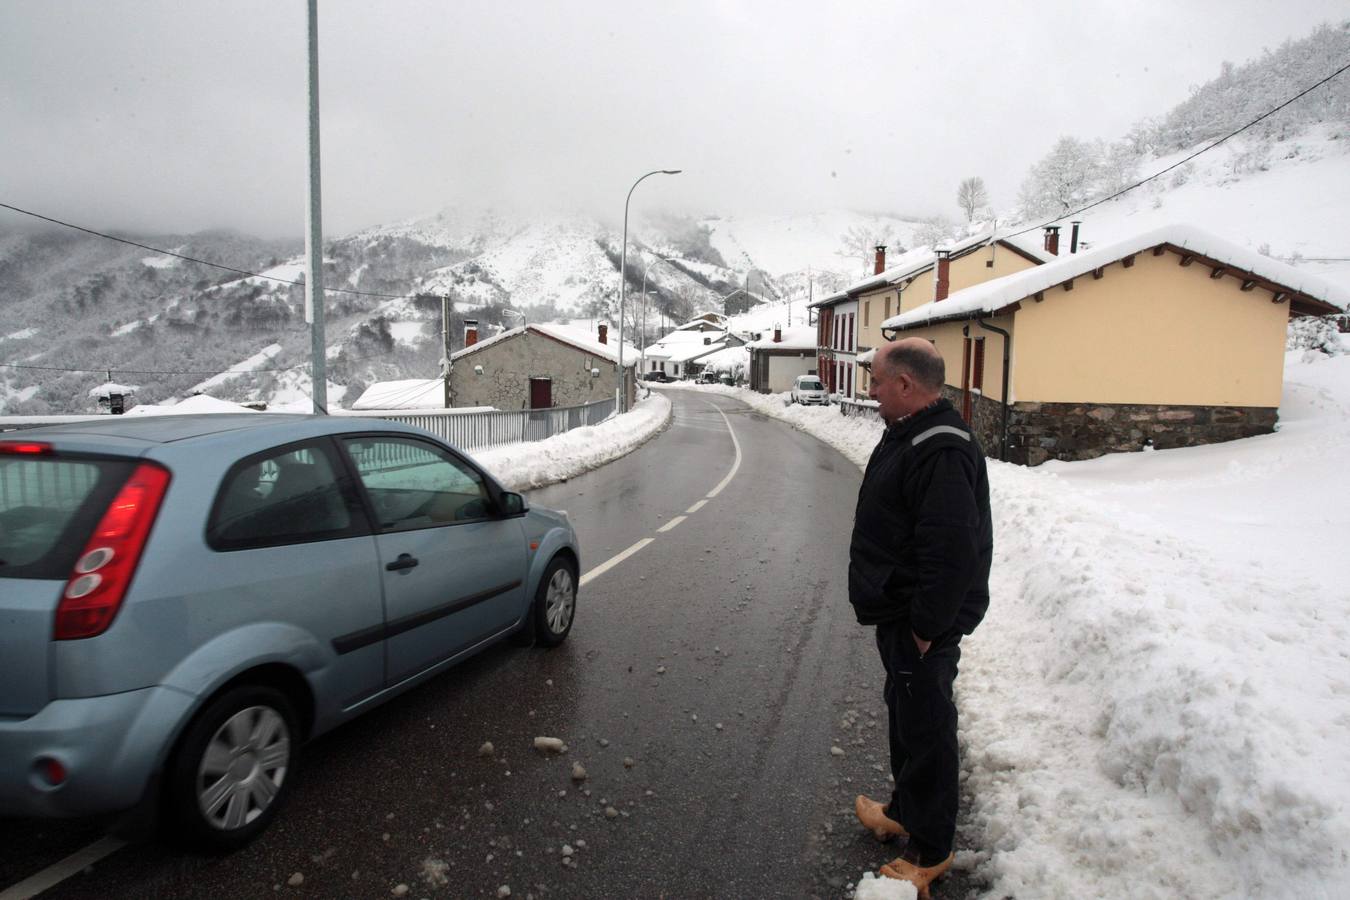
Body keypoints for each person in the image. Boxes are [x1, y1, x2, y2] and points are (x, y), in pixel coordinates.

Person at [848, 338, 993, 895]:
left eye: (877, 381)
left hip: (920, 621)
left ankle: (930, 849)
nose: (871, 391)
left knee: (928, 725)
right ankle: (905, 810)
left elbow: (951, 549)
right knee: (907, 714)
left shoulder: (942, 449)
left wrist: (927, 628)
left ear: (906, 385)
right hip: (901, 610)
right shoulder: (912, 434)